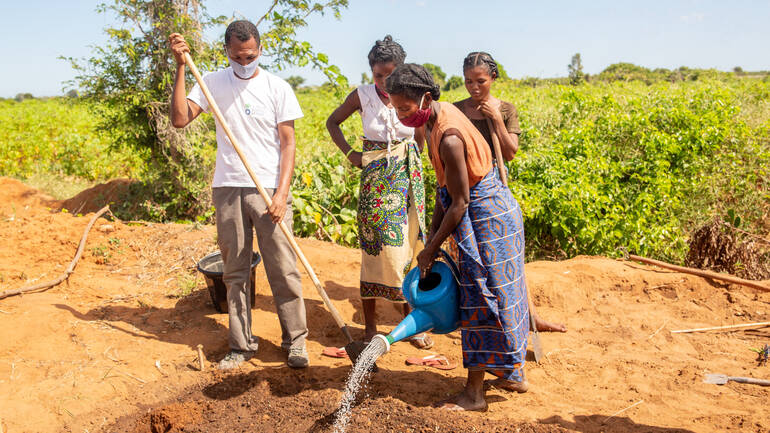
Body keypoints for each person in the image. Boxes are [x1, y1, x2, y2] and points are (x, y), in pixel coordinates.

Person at [387, 64, 529, 411]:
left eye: (405, 108)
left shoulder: (449, 136)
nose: (401, 115)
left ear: (425, 96)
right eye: (396, 108)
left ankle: (474, 394)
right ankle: (512, 373)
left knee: (479, 297)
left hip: (486, 218)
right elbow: (444, 191)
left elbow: (460, 202)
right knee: (501, 295)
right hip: (487, 211)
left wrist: (431, 248)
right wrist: (431, 240)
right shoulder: (440, 115)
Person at [169, 20, 309, 369]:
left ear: (260, 50)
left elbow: (289, 144)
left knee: (283, 268)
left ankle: (296, 342)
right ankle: (242, 345)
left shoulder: (278, 87)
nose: (244, 63)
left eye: (250, 56)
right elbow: (179, 119)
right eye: (237, 57)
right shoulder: (211, 82)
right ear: (227, 53)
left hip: (268, 189)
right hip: (228, 186)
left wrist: (280, 194)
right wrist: (182, 68)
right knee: (235, 270)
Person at [326, 36, 433, 349]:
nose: (385, 81)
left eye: (391, 75)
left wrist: (416, 160)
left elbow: (422, 133)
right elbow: (332, 122)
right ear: (370, 73)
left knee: (408, 250)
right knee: (376, 251)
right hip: (375, 180)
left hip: (409, 179)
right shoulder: (362, 96)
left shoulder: (414, 97)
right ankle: (371, 325)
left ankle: (409, 321)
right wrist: (351, 154)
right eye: (378, 75)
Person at [454, 51, 566, 333]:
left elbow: (511, 152)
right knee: (473, 258)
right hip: (464, 188)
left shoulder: (505, 109)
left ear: (493, 77)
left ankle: (530, 316)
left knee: (507, 256)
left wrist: (496, 120)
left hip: (494, 189)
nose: (474, 88)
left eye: (480, 81)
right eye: (468, 82)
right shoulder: (456, 110)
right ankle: (479, 320)